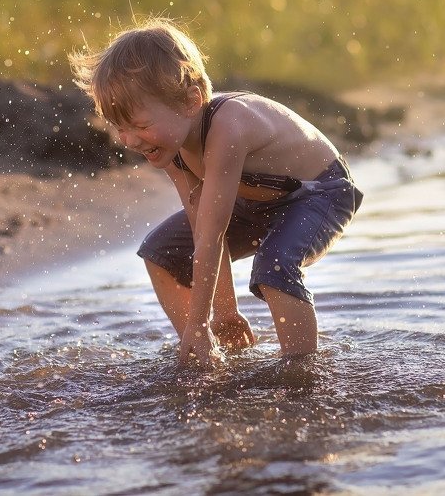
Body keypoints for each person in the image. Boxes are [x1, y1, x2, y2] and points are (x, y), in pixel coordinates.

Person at [70, 18, 362, 366]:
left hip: (320, 192)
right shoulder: (170, 145)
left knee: (274, 266)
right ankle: (205, 352)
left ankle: (300, 370)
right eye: (120, 128)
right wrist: (224, 312)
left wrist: (204, 316)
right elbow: (202, 230)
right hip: (256, 202)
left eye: (141, 126)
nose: (130, 140)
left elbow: (212, 234)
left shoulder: (228, 127)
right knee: (160, 254)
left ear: (191, 101)